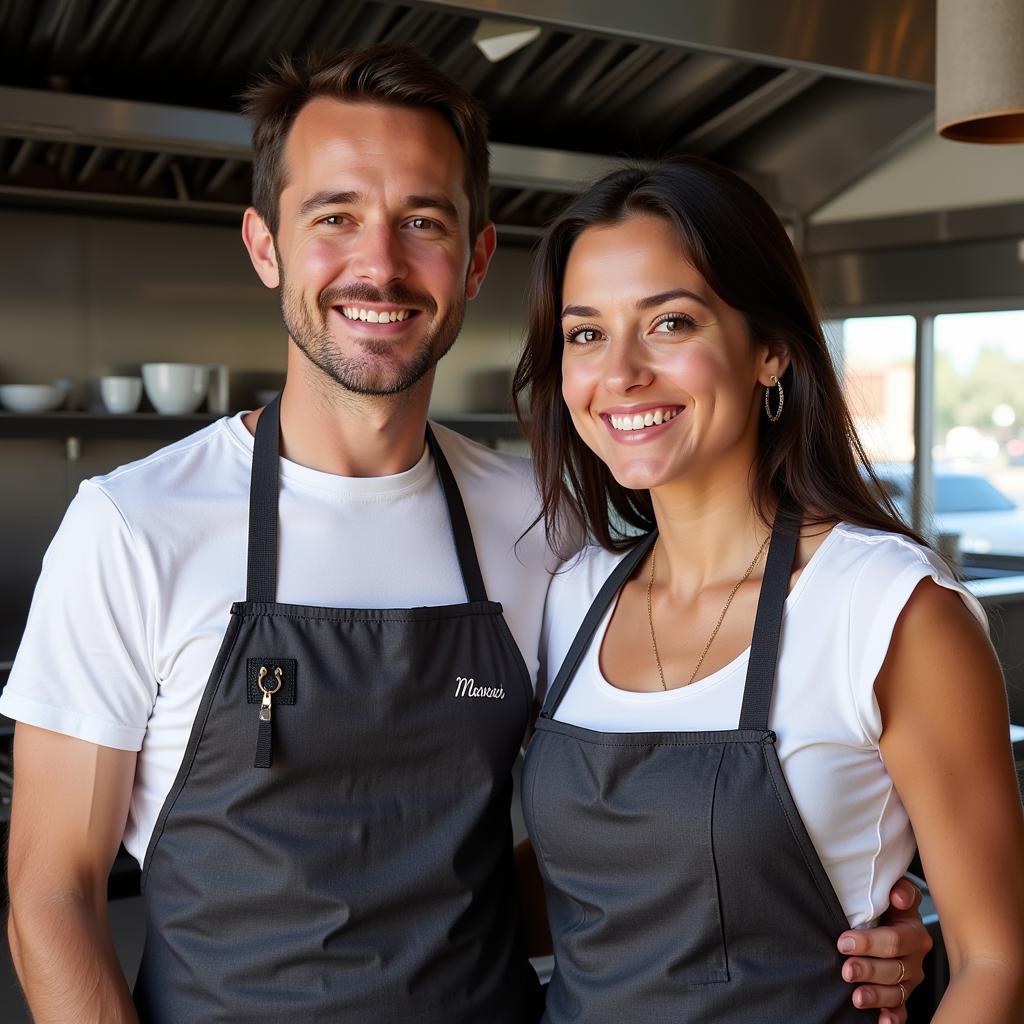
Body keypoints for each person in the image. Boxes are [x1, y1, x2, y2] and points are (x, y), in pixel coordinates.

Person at [3, 48, 928, 1023]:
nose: (380, 263)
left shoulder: (544, 524)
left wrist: (835, 920)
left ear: (476, 258)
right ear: (264, 244)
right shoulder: (132, 526)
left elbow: (626, 830)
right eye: (335, 217)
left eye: (422, 222)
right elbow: (50, 893)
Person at [513, 156, 1024, 1023]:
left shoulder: (885, 610)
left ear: (771, 353)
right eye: (586, 333)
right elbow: (592, 897)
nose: (622, 372)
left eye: (669, 322)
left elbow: (995, 963)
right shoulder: (569, 596)